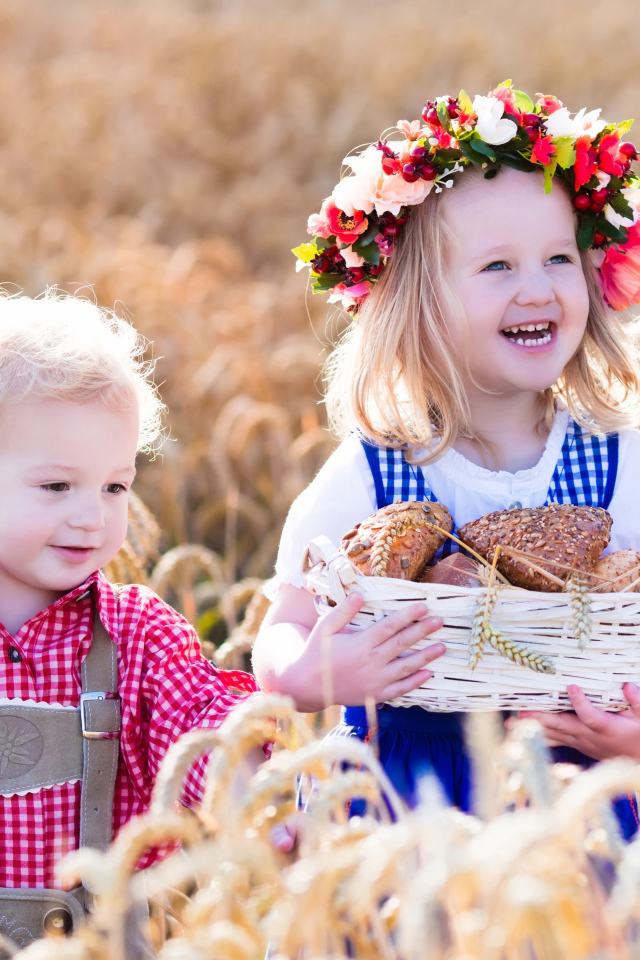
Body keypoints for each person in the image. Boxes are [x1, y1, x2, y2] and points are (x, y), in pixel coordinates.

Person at [252, 82, 640, 835]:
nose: (538, 289)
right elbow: (285, 622)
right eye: (498, 267)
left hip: (577, 781)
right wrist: (308, 675)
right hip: (406, 786)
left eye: (559, 258)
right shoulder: (376, 471)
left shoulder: (621, 456)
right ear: (417, 300)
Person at [0, 291, 262, 949]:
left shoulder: (138, 638)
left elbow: (203, 732)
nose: (93, 515)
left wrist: (258, 802)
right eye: (58, 486)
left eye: (115, 486)